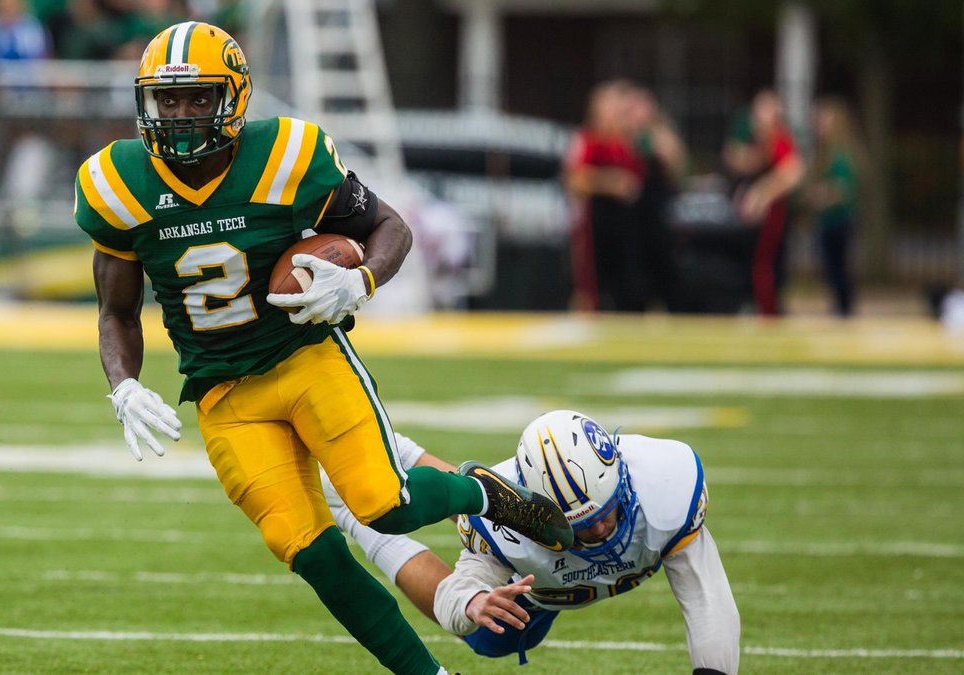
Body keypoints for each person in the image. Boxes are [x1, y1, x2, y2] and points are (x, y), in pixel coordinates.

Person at [73, 21, 570, 675]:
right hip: (224, 395)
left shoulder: (286, 154)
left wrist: (360, 281)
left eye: (198, 97)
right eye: (168, 99)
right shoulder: (118, 181)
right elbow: (116, 311)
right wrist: (124, 384)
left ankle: (483, 494)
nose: (181, 114)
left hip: (306, 359)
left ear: (233, 97)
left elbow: (389, 226)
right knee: (313, 554)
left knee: (386, 506)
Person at [325, 410, 741, 674]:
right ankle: (362, 520)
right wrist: (472, 602)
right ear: (537, 510)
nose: (600, 530)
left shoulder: (664, 482)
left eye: (606, 511)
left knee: (475, 507)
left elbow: (705, 597)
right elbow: (456, 593)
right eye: (583, 525)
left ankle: (400, 452)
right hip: (539, 575)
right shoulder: (514, 527)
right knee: (492, 636)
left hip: (556, 562)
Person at [563, 80, 647, 312]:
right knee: (591, 287)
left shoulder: (629, 144)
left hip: (626, 227)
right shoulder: (587, 140)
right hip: (594, 223)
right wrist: (610, 183)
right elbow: (573, 179)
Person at [722, 89, 804, 316]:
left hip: (771, 213)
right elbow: (735, 159)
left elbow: (792, 171)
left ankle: (768, 310)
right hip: (753, 216)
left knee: (765, 264)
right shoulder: (755, 141)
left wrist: (761, 194)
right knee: (754, 263)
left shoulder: (779, 138)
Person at [627, 85, 687, 312]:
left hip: (657, 213)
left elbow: (678, 172)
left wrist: (667, 151)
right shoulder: (624, 138)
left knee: (665, 268)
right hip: (632, 217)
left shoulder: (661, 135)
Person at [805, 96, 862, 317]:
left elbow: (844, 188)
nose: (819, 127)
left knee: (838, 268)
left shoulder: (840, 154)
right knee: (833, 268)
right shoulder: (827, 153)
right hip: (830, 220)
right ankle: (840, 307)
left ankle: (844, 309)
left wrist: (821, 195)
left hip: (840, 220)